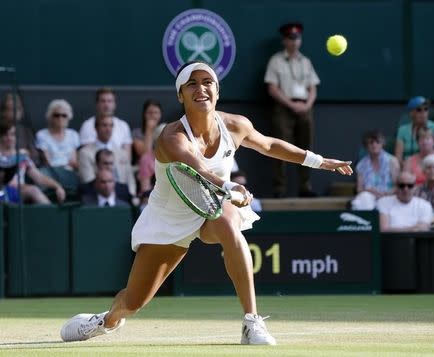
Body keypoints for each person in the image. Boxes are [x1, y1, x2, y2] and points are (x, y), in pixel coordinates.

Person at [60, 61, 352, 345]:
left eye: (207, 82)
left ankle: (252, 321)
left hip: (213, 206)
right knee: (134, 302)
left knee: (229, 225)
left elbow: (269, 144)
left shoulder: (236, 125)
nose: (201, 89)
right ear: (181, 95)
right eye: (192, 84)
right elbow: (199, 168)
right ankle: (106, 320)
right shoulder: (171, 136)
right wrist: (231, 185)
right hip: (170, 219)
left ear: (217, 90)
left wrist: (319, 161)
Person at [264, 23, 321, 197]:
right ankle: (279, 188)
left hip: (305, 107)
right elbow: (272, 88)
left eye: (297, 38)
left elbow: (313, 87)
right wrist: (290, 104)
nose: (294, 42)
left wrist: (307, 105)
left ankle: (305, 186)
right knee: (280, 146)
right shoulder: (276, 60)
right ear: (284, 40)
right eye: (291, 38)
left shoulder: (306, 61)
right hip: (284, 106)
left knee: (306, 146)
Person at [0, 122, 66, 204]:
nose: (9, 138)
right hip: (1, 192)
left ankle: (52, 215)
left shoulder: (22, 157)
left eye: (12, 134)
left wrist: (57, 186)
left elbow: (39, 178)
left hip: (18, 192)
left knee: (33, 190)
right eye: (5, 135)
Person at [78, 116, 136, 198]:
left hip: (124, 198)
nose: (108, 129)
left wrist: (132, 196)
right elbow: (88, 181)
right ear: (96, 128)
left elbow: (130, 179)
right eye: (104, 125)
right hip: (97, 198)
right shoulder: (85, 153)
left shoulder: (122, 153)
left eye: (111, 125)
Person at [351, 130, 400, 210]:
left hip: (388, 195)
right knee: (363, 199)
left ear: (382, 144)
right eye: (371, 143)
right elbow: (359, 189)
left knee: (384, 203)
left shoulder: (392, 161)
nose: (374, 145)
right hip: (369, 196)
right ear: (366, 146)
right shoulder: (361, 165)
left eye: (377, 142)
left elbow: (398, 186)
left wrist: (385, 193)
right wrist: (370, 191)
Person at [79, 87, 132, 159]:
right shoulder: (87, 125)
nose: (106, 105)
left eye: (109, 101)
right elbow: (86, 156)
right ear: (97, 104)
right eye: (103, 101)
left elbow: (127, 157)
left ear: (114, 104)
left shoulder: (123, 126)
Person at [36, 99, 80, 169]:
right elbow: (47, 161)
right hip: (51, 172)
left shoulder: (73, 135)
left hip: (69, 172)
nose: (60, 118)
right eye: (56, 115)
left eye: (64, 115)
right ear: (50, 117)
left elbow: (73, 161)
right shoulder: (42, 135)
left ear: (69, 117)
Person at [394, 96, 434, 164]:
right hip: (408, 166)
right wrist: (409, 167)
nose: (423, 112)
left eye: (426, 109)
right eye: (419, 109)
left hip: (431, 166)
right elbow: (398, 157)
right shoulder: (402, 130)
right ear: (411, 113)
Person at [0, 92, 41, 165]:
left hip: (24, 170)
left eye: (18, 109)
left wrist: (26, 155)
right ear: (3, 112)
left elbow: (36, 159)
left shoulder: (26, 132)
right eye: (11, 109)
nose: (16, 112)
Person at [132, 99, 163, 163]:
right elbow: (145, 154)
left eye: (156, 112)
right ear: (144, 114)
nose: (153, 115)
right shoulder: (136, 133)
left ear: (160, 115)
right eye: (150, 112)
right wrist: (149, 130)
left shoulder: (164, 130)